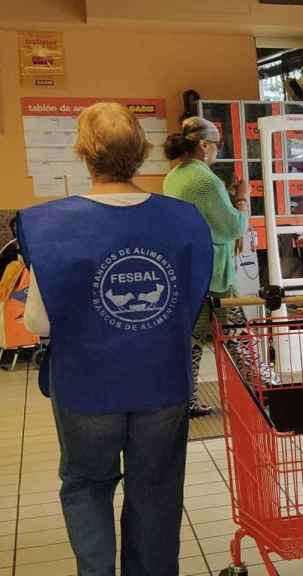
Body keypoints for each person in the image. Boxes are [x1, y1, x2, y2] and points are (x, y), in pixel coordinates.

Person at [16, 102, 213, 576]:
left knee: (87, 483)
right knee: (157, 488)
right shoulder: (184, 220)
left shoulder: (51, 226)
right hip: (163, 384)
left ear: (84, 153)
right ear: (141, 153)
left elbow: (38, 323)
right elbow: (190, 301)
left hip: (88, 387)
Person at [163, 117, 249, 417]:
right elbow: (232, 227)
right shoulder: (204, 179)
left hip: (190, 271)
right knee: (238, 333)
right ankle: (261, 391)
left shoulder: (174, 176)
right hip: (214, 274)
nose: (217, 151)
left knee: (193, 340)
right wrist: (241, 198)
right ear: (202, 145)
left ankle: (186, 400)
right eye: (216, 145)